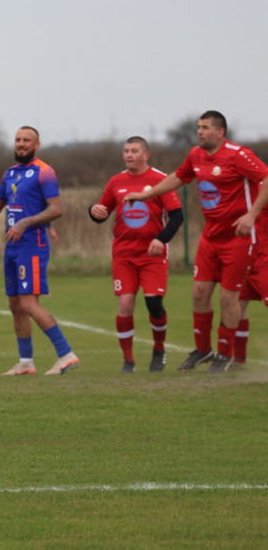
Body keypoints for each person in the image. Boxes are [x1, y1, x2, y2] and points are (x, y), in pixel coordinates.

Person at [123, 111, 268, 372]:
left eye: (205, 128)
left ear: (220, 132)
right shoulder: (196, 154)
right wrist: (147, 195)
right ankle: (203, 350)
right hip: (210, 237)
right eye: (198, 127)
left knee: (228, 298)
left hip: (239, 238)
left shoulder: (239, 154)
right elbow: (178, 177)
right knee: (199, 294)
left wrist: (252, 213)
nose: (199, 132)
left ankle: (224, 355)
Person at [0, 126, 80, 376]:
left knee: (28, 303)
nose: (21, 144)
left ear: (37, 144)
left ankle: (66, 354)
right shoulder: (11, 173)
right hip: (12, 246)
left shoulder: (44, 172)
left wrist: (25, 222)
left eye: (27, 140)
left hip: (32, 245)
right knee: (15, 304)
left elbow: (56, 209)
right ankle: (26, 362)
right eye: (18, 140)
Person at [89, 137, 184, 373]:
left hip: (152, 253)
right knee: (125, 304)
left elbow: (177, 216)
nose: (129, 155)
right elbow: (102, 213)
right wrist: (93, 211)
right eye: (126, 151)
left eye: (134, 151)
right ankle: (128, 361)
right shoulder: (116, 182)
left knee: (154, 303)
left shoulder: (160, 180)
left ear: (146, 155)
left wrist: (160, 239)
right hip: (123, 254)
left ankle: (159, 349)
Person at [236, 211, 268, 367]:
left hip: (265, 258)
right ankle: (238, 359)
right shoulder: (244, 191)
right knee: (237, 305)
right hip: (246, 254)